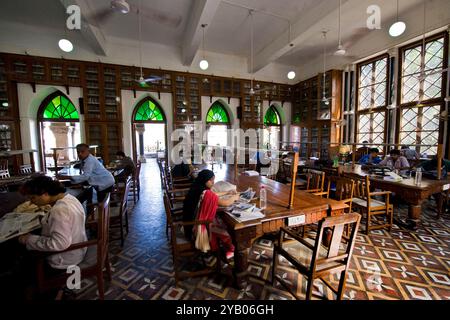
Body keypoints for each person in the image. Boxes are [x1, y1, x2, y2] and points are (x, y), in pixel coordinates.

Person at [18, 176, 87, 272]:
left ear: (45, 194)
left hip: (65, 259)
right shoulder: (69, 198)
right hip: (79, 248)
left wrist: (29, 239)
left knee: (22, 256)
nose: (31, 202)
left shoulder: (59, 210)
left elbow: (60, 244)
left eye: (33, 198)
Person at [182, 169, 239, 259]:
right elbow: (225, 203)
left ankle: (219, 246)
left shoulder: (197, 187)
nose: (213, 182)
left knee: (218, 220)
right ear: (205, 180)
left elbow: (213, 194)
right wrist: (235, 197)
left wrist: (227, 192)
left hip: (189, 224)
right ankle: (230, 249)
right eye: (211, 180)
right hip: (195, 228)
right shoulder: (205, 193)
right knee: (224, 229)